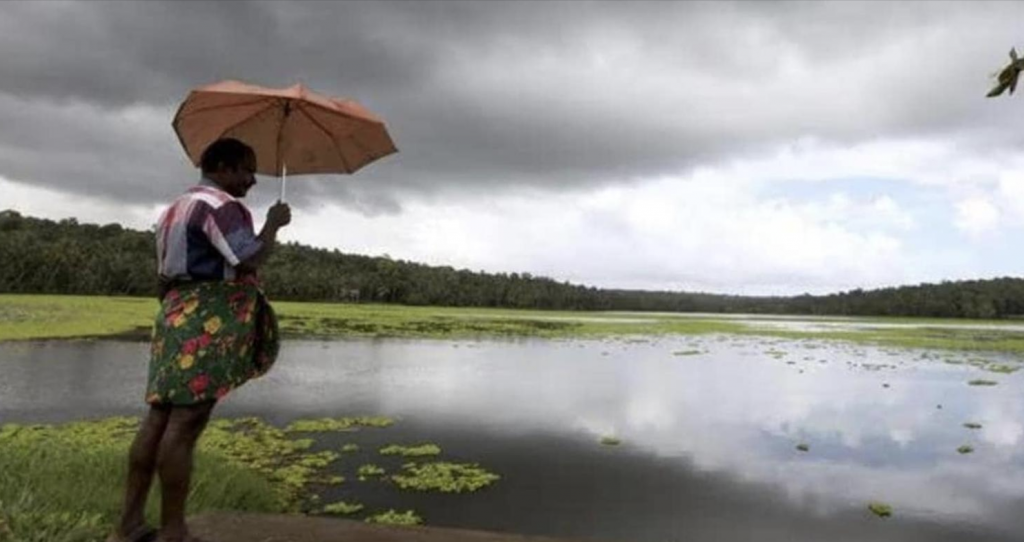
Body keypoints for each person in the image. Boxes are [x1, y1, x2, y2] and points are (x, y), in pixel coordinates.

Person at [108, 138, 291, 542]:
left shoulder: (174, 208)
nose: (252, 181)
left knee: (159, 416)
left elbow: (162, 279)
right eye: (247, 170)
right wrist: (273, 225)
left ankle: (129, 524)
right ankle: (174, 531)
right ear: (223, 167)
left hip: (174, 314)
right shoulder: (220, 206)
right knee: (187, 423)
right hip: (207, 321)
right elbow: (248, 257)